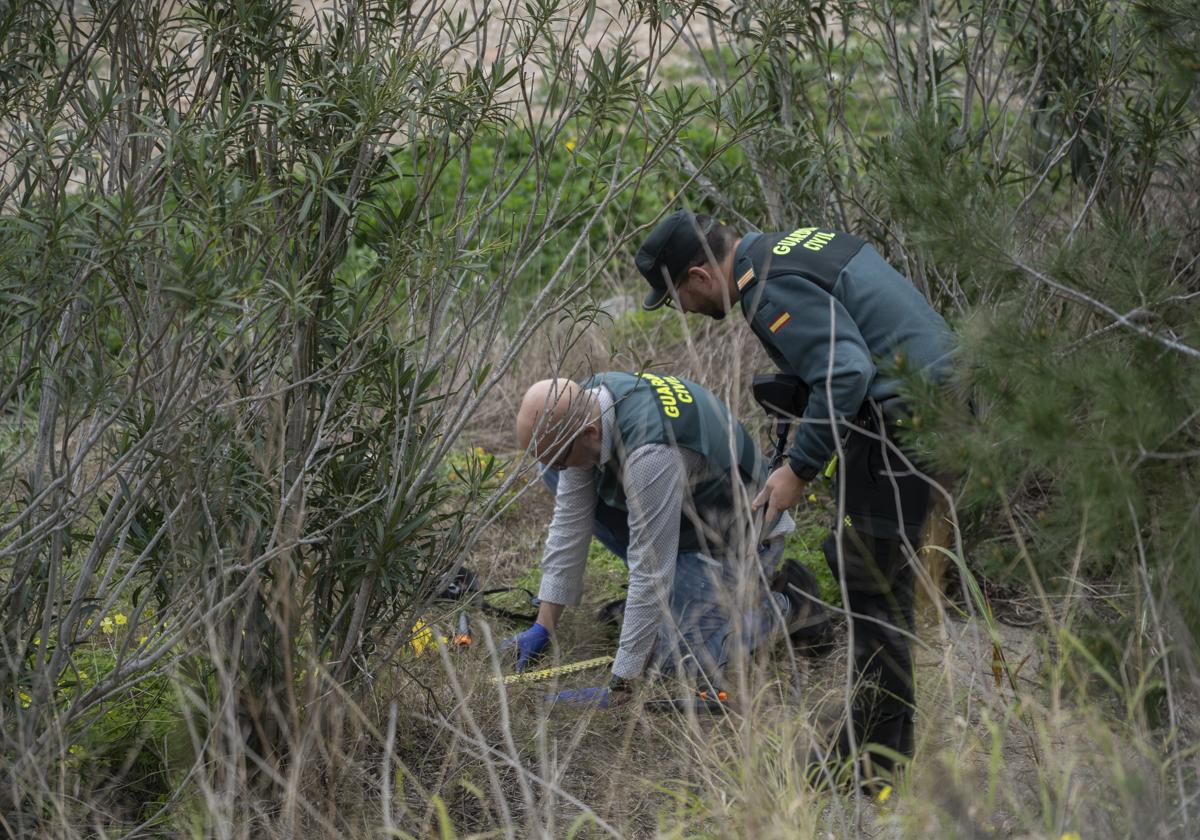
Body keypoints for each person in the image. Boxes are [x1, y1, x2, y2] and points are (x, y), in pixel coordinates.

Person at [636, 210, 956, 779]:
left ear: (699, 275)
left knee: (873, 584)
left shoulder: (766, 287)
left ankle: (871, 765)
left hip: (907, 418)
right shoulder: (788, 248)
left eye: (676, 297)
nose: (685, 311)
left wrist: (799, 470)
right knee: (874, 577)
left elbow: (845, 372)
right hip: (932, 403)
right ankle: (881, 743)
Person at [505, 373, 832, 707]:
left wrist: (622, 684)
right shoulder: (588, 403)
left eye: (560, 457)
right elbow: (571, 521)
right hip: (684, 518)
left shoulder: (650, 454)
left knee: (678, 661)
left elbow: (650, 571)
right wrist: (543, 627)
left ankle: (788, 608)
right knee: (558, 474)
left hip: (735, 537)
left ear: (589, 433)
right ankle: (670, 604)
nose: (559, 467)